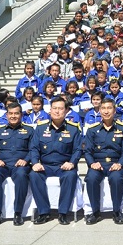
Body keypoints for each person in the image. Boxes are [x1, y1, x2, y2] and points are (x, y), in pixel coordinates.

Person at [29, 96, 83, 225]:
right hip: (45, 165)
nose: (57, 111)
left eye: (60, 109)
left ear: (66, 111)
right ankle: (43, 212)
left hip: (64, 166)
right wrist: (35, 162)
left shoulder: (73, 129)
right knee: (33, 175)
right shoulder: (40, 128)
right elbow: (34, 148)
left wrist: (72, 163)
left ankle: (63, 213)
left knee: (70, 176)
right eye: (54, 108)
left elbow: (78, 150)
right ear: (50, 110)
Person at [83, 99, 123, 225]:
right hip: (97, 164)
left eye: (109, 108)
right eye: (103, 108)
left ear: (114, 110)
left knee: (116, 178)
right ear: (99, 111)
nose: (106, 111)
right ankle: (95, 213)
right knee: (91, 178)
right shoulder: (92, 130)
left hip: (116, 163)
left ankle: (116, 212)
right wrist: (92, 163)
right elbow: (87, 151)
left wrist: (120, 164)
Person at [0, 102, 34, 227]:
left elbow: (33, 150)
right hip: (3, 165)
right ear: (6, 115)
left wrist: (26, 160)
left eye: (16, 113)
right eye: (11, 113)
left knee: (21, 175)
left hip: (21, 165)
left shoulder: (29, 131)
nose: (13, 116)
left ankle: (18, 212)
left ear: (21, 115)